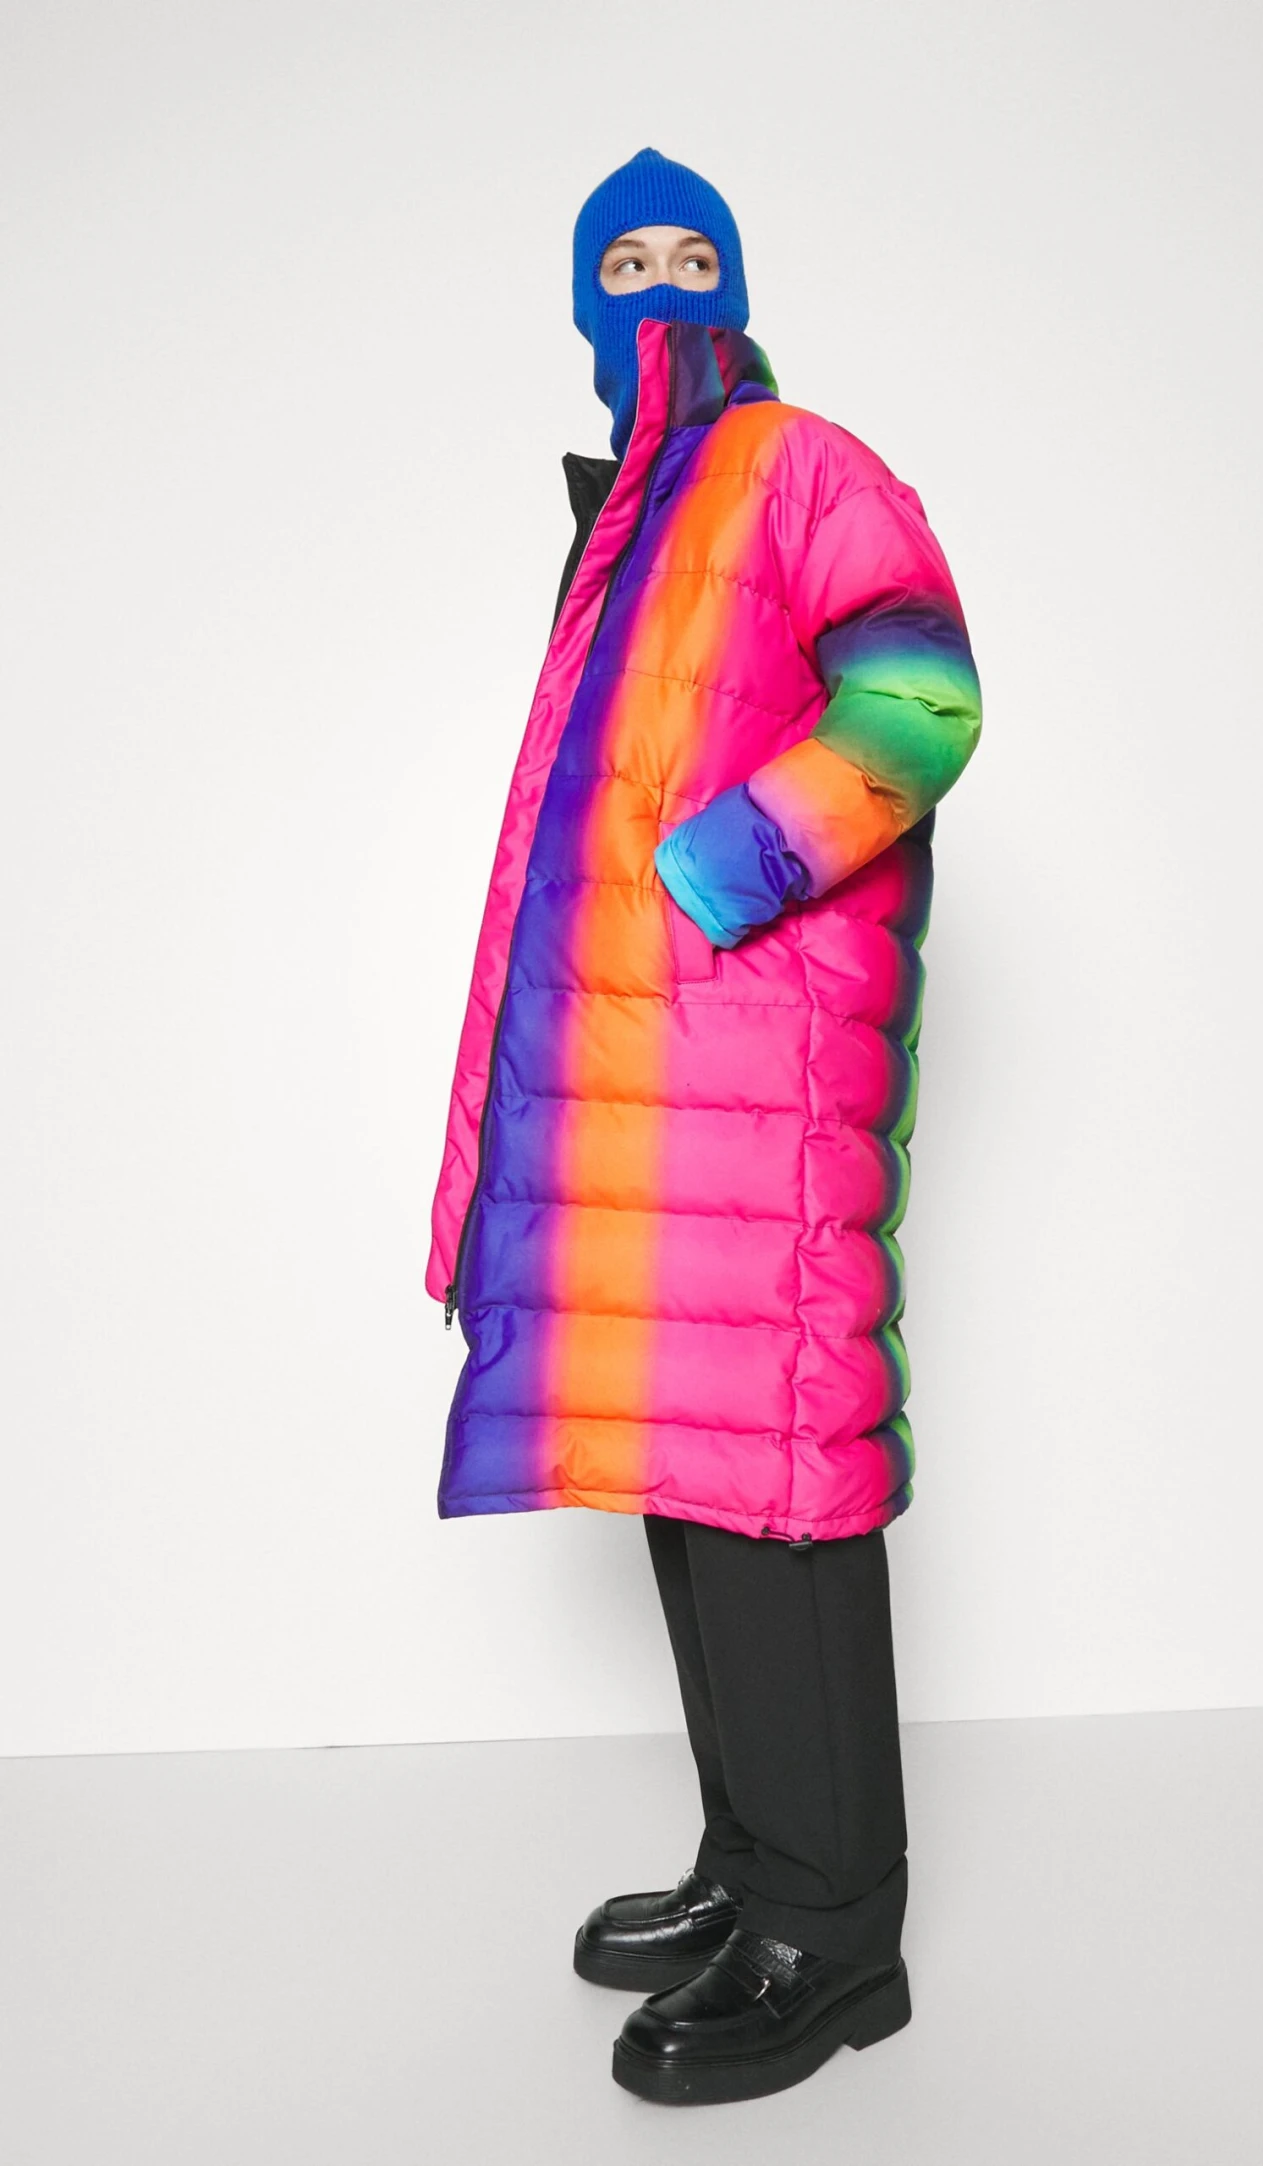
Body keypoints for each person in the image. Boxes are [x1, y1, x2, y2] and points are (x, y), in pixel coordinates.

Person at [426, 147, 981, 2106]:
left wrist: (720, 879)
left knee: (784, 1489)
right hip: (650, 1110)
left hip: (758, 1083)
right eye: (625, 265)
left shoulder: (799, 466)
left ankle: (839, 1935)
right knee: (698, 1483)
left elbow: (920, 706)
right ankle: (757, 1863)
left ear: (737, 288)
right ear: (586, 309)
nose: (661, 288)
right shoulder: (626, 529)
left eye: (692, 258)